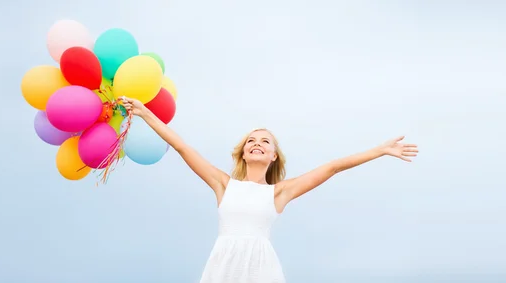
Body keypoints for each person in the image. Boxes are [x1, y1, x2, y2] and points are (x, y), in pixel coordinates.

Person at [120, 97, 419, 283]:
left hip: (260, 268)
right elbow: (182, 147)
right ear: (243, 153)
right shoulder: (223, 184)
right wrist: (146, 114)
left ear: (273, 156)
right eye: (251, 140)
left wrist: (379, 151)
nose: (257, 144)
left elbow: (333, 167)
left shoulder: (278, 193)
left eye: (265, 141)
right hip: (223, 265)